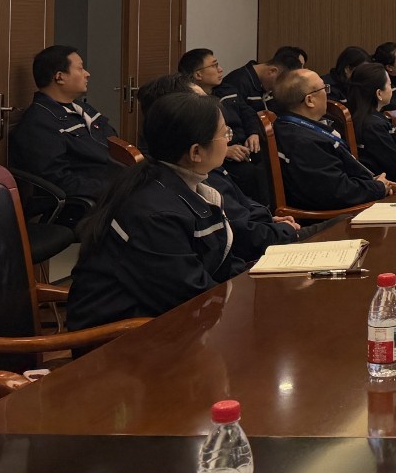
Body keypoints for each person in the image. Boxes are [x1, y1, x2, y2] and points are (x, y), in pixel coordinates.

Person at [67, 92, 241, 330]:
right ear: (196, 152)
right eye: (224, 134)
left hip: (166, 322)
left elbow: (213, 267)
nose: (229, 140)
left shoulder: (169, 181)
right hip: (121, 338)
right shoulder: (154, 213)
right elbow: (190, 297)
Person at [137, 75, 299, 266]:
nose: (229, 139)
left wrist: (270, 222)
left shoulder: (190, 175)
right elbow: (237, 242)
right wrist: (284, 231)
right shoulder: (166, 207)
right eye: (224, 134)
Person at [272, 69, 396, 210]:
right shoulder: (305, 142)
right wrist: (378, 187)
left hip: (356, 195)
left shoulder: (289, 127)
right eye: (324, 88)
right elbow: (338, 192)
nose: (327, 94)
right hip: (338, 214)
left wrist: (372, 183)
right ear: (310, 100)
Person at [7, 45, 121, 199]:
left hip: (115, 179)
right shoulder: (39, 123)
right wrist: (113, 190)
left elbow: (112, 139)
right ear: (59, 77)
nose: (87, 74)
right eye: (80, 69)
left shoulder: (82, 108)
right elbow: (59, 180)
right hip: (95, 197)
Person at [180, 47, 269, 207]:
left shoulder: (228, 90)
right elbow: (192, 139)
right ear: (198, 75)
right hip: (219, 156)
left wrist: (253, 133)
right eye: (214, 65)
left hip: (245, 146)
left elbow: (248, 113)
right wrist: (226, 150)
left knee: (271, 162)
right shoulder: (190, 103)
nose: (220, 69)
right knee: (251, 176)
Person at [347, 62, 396, 184]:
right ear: (379, 93)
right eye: (389, 84)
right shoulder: (374, 126)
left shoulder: (361, 116)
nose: (391, 89)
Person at [219, 46, 305, 123]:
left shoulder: (265, 83)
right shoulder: (237, 83)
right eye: (281, 81)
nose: (280, 87)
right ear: (272, 71)